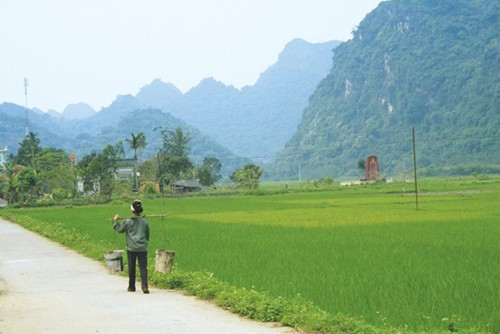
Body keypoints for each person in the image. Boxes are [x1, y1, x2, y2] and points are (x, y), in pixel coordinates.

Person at [113, 199, 150, 294]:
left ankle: (131, 286)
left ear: (132, 210)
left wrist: (115, 221)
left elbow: (119, 229)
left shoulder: (128, 221)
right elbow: (147, 234)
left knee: (131, 267)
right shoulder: (144, 221)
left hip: (131, 248)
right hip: (142, 248)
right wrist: (144, 242)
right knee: (143, 267)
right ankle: (145, 286)